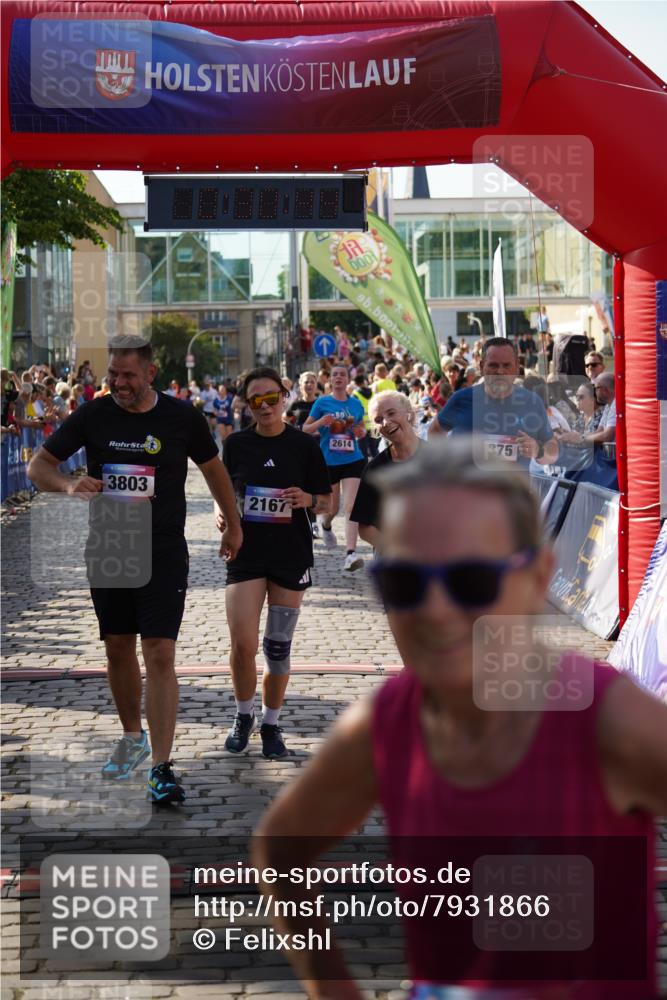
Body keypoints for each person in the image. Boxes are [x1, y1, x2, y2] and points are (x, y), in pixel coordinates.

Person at [254, 436, 667, 999]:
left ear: (538, 578)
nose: (436, 609)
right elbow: (281, 849)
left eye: (471, 581)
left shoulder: (606, 720)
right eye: (404, 583)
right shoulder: (392, 719)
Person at [27, 337, 242, 805]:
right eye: (113, 375)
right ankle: (132, 737)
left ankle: (162, 767)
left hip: (164, 547)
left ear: (150, 372)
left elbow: (213, 469)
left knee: (160, 652)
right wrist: (67, 485)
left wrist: (233, 523)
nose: (119, 384)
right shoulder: (93, 415)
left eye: (127, 375)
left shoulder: (181, 417)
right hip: (113, 542)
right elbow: (37, 466)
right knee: (119, 648)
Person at [219, 367, 331, 759]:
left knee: (277, 649)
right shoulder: (235, 445)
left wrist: (308, 500)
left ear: (284, 397)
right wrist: (225, 516)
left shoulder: (304, 445)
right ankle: (243, 714)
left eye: (271, 398)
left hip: (290, 556)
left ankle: (271, 724)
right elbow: (227, 494)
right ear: (247, 404)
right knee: (242, 645)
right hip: (246, 556)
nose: (264, 407)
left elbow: (327, 500)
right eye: (256, 401)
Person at [429, 337, 559, 470]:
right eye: (493, 365)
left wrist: (538, 451)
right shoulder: (461, 399)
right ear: (481, 367)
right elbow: (435, 431)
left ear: (516, 368)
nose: (500, 371)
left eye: (506, 365)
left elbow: (553, 450)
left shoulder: (532, 402)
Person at [303, 364, 367, 572]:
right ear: (330, 380)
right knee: (333, 507)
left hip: (352, 459)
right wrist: (321, 421)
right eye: (335, 375)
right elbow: (305, 428)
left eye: (343, 374)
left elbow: (362, 430)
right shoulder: (322, 402)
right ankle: (326, 525)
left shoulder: (356, 404)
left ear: (348, 379)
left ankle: (351, 554)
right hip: (328, 461)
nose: (339, 377)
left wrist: (359, 431)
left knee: (351, 507)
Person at [350, 390, 421, 550]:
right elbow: (365, 528)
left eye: (391, 413)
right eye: (378, 419)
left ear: (409, 414)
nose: (386, 422)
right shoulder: (375, 469)